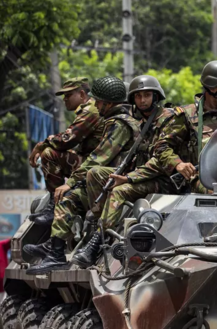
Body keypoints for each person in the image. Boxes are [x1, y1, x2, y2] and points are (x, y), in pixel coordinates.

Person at [25, 76, 140, 275]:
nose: (95, 104)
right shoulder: (110, 121)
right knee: (67, 198)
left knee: (77, 184)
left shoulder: (120, 124)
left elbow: (98, 159)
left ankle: (91, 232)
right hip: (100, 181)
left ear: (108, 103)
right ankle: (56, 253)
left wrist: (70, 181)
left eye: (98, 101)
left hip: (115, 182)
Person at [76, 75, 176, 267]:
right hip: (141, 176)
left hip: (165, 179)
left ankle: (97, 241)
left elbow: (161, 161)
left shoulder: (168, 120)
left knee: (120, 190)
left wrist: (128, 178)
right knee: (96, 173)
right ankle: (101, 226)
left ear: (156, 97)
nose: (143, 100)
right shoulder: (140, 122)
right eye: (138, 97)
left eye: (147, 95)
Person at [151, 60, 217, 193]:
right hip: (202, 177)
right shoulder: (186, 114)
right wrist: (178, 164)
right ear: (213, 88)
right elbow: (161, 146)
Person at [27, 77, 105, 226]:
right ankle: (53, 201)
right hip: (90, 161)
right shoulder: (87, 110)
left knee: (49, 153)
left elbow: (67, 140)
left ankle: (54, 206)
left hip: (96, 164)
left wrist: (40, 146)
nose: (65, 99)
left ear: (82, 94)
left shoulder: (91, 110)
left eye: (68, 95)